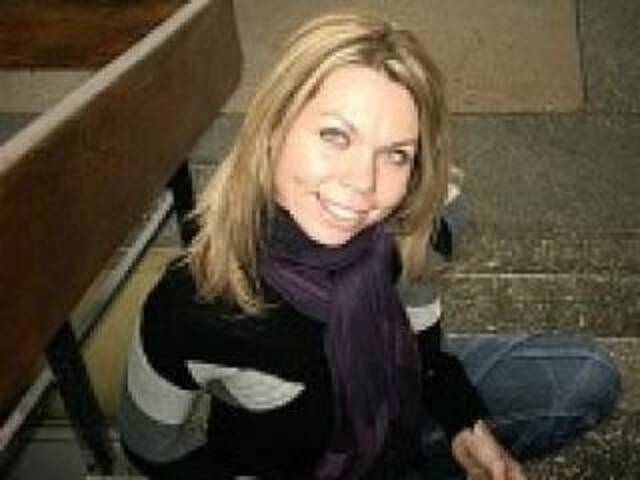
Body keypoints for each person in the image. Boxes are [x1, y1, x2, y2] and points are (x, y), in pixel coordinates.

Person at [118, 12, 620, 480]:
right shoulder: (191, 307)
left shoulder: (420, 223)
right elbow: (149, 446)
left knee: (590, 376)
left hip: (402, 417)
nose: (364, 183)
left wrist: (466, 424)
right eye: (336, 135)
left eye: (396, 154)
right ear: (273, 130)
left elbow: (424, 353)